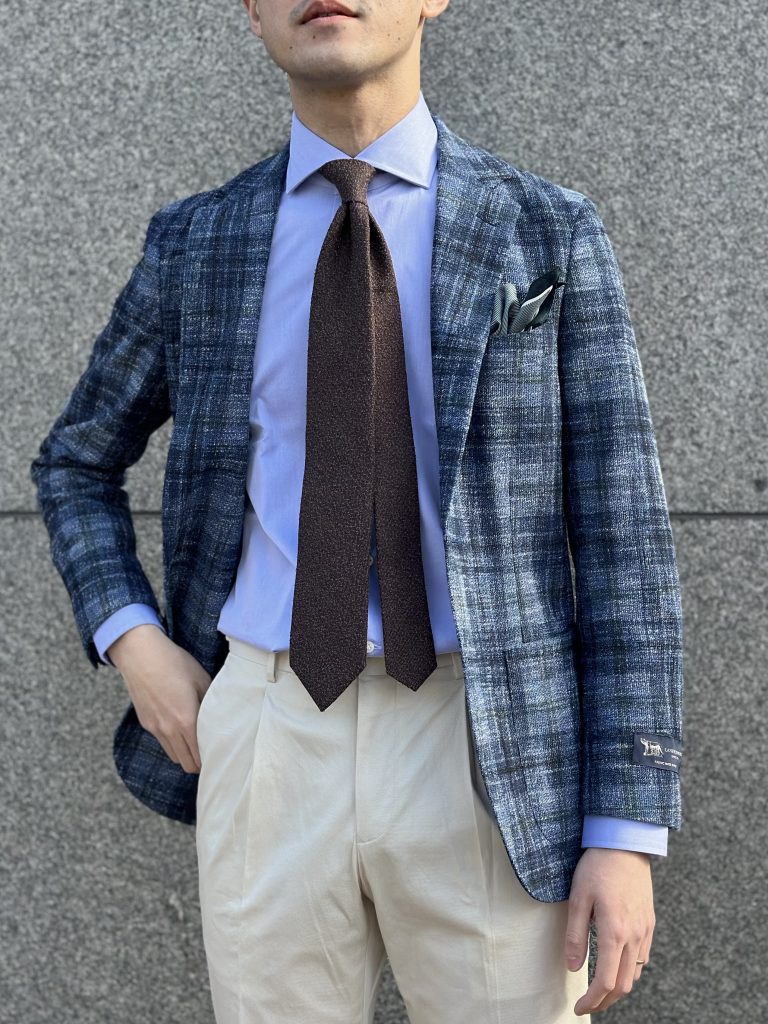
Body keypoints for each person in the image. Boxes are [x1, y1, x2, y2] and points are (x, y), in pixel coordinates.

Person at [30, 1, 685, 1021]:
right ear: (251, 11)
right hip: (269, 725)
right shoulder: (198, 241)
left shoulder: (545, 227)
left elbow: (624, 539)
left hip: (488, 739)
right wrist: (135, 640)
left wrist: (626, 827)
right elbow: (75, 460)